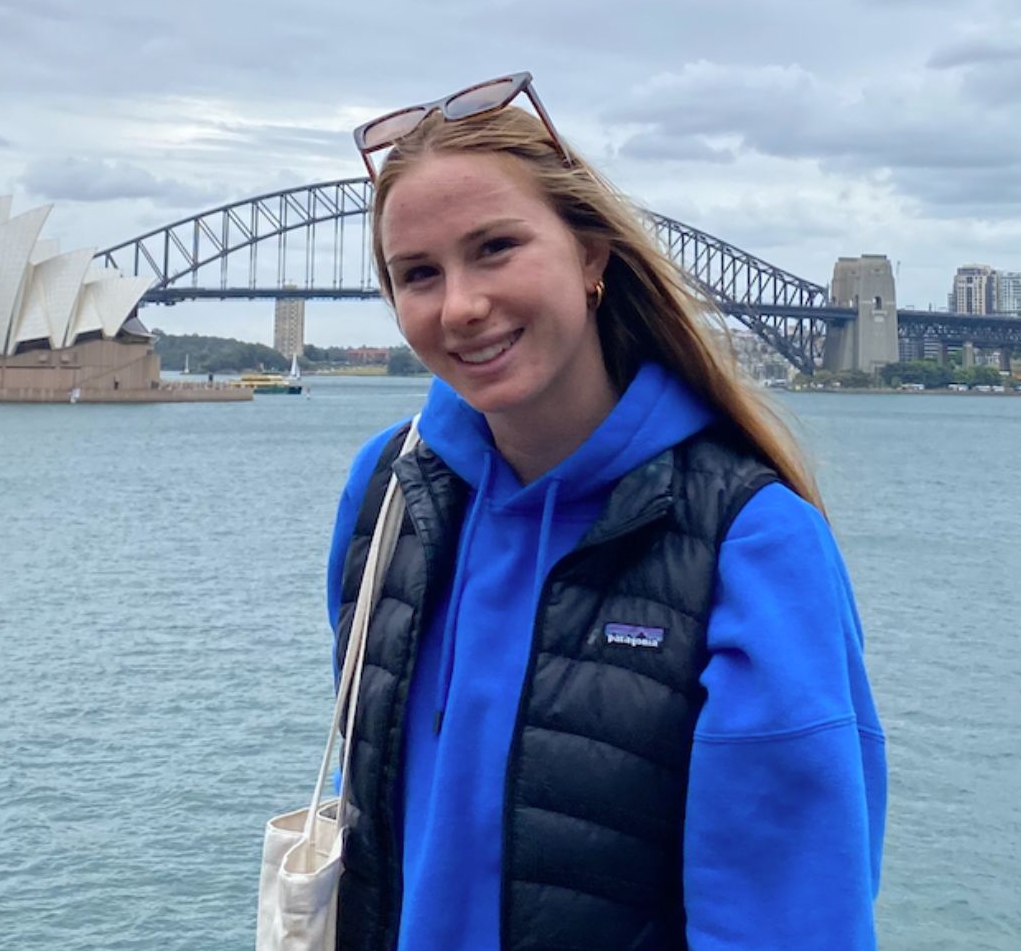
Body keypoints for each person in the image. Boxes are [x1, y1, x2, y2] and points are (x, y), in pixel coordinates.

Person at [324, 74, 885, 951]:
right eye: (418, 273)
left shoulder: (752, 542)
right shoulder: (388, 492)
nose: (461, 305)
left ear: (592, 256)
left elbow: (791, 917)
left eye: (497, 247)